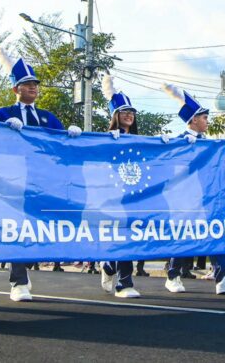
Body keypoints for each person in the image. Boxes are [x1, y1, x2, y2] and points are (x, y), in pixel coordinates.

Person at [0, 52, 81, 302]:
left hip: (42, 183)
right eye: (28, 84)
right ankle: (19, 280)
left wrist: (71, 134)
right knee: (18, 229)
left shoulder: (47, 117)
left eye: (35, 84)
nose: (33, 88)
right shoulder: (4, 112)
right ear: (15, 88)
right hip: (14, 182)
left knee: (40, 229)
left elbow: (62, 145)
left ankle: (23, 268)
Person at [160, 85, 225, 295]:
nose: (207, 121)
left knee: (215, 233)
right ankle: (173, 275)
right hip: (186, 199)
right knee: (184, 236)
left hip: (207, 198)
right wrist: (177, 145)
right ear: (194, 120)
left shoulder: (207, 144)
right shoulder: (181, 140)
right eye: (204, 117)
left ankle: (222, 277)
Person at [98, 74, 141, 299]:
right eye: (125, 112)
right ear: (116, 115)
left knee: (131, 238)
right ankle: (124, 283)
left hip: (135, 197)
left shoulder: (141, 140)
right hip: (113, 197)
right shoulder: (107, 137)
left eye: (132, 112)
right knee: (123, 238)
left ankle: (110, 267)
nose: (129, 115)